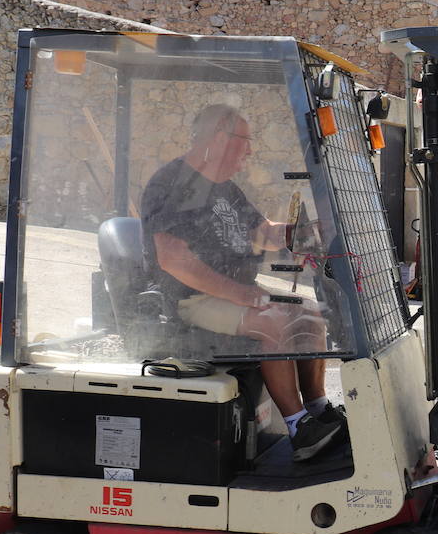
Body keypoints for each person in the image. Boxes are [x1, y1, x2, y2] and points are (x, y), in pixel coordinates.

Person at [142, 103, 346, 461]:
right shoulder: (172, 185)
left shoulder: (225, 189)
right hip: (192, 298)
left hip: (234, 292)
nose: (250, 150)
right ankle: (299, 428)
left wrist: (303, 233)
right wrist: (241, 293)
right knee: (274, 321)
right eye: (245, 141)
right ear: (219, 138)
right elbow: (172, 259)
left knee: (311, 312)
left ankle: (318, 409)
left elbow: (262, 232)